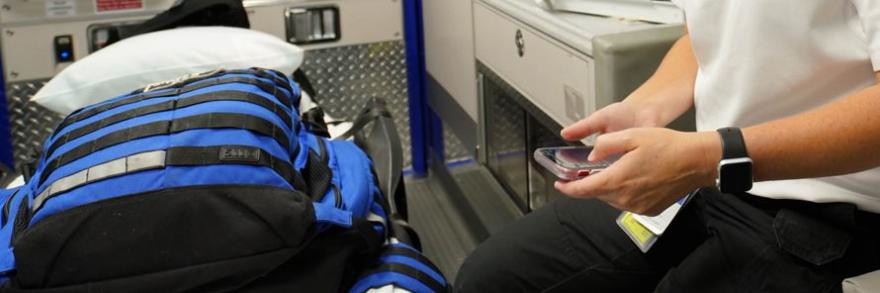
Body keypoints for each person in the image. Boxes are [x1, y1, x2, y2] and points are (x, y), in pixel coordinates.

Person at [454, 1, 880, 292]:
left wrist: (710, 156)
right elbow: (705, 35)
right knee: (492, 278)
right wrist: (648, 104)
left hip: (830, 212)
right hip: (710, 179)